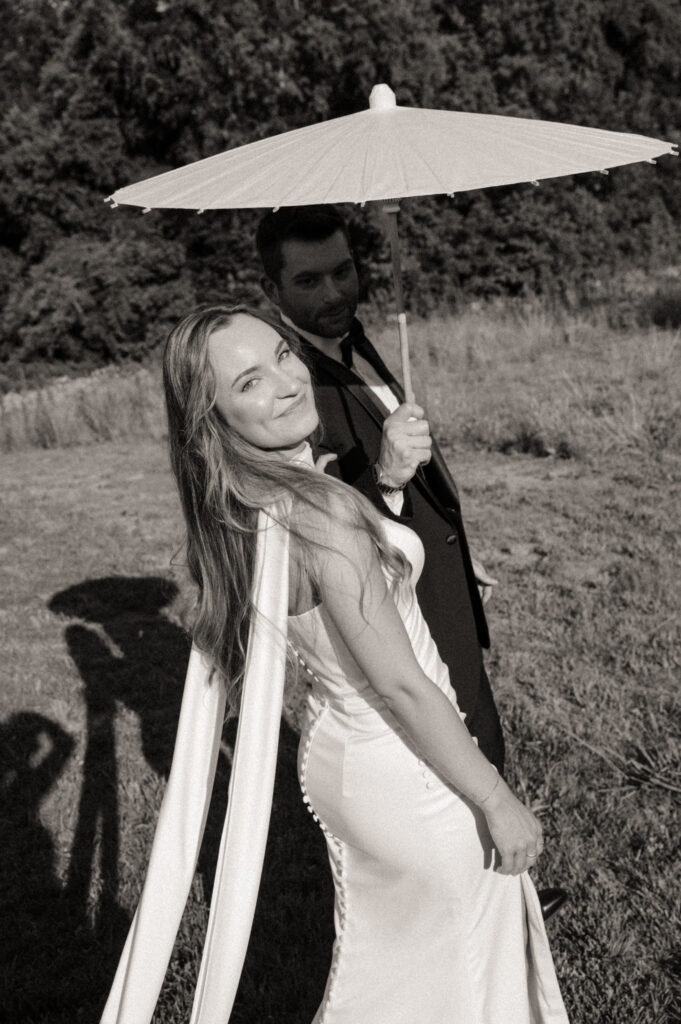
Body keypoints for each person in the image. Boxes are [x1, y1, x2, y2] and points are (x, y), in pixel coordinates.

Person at [102, 305, 569, 1023]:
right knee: (454, 978)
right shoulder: (320, 510)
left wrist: (387, 486)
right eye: (250, 382)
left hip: (346, 756)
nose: (289, 381)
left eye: (283, 355)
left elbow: (339, 593)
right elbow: (401, 684)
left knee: (395, 970)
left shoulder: (245, 504)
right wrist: (496, 800)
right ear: (212, 417)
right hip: (408, 763)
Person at [255, 206, 568, 922]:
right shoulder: (291, 390)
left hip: (434, 577)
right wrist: (387, 477)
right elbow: (318, 531)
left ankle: (505, 902)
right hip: (393, 615)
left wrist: (455, 546)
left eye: (343, 270)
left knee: (481, 731)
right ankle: (472, 918)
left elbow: (412, 461)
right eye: (309, 281)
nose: (335, 291)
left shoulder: (358, 340)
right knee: (451, 751)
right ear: (272, 289)